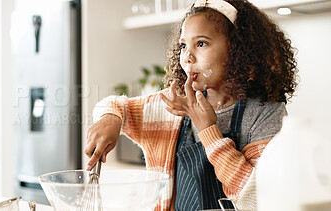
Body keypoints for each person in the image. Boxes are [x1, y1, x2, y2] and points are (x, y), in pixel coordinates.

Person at [84, 0, 298, 210]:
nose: (187, 56)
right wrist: (110, 119)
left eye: (201, 43)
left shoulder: (263, 111)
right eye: (184, 45)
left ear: (238, 49)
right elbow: (113, 105)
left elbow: (257, 201)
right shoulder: (171, 104)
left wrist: (208, 131)